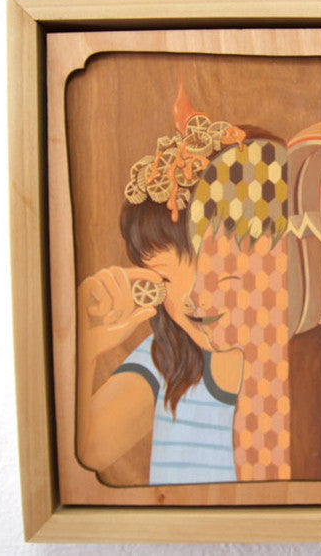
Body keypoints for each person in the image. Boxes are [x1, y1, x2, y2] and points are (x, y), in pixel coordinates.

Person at [76, 109, 287, 485]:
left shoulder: (307, 363)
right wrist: (83, 346)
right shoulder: (168, 360)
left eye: (211, 265)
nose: (191, 297)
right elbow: (86, 451)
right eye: (165, 278)